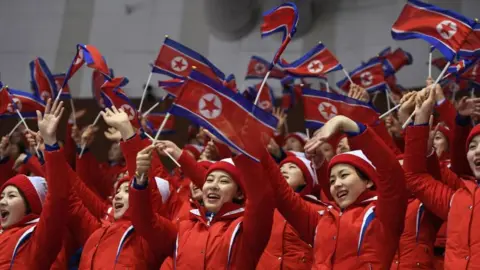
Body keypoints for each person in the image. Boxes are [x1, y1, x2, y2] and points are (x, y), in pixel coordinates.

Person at [264, 115, 407, 268]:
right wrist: (255, 149)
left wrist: (347, 124)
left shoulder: (382, 214)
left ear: (369, 180)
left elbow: (392, 174)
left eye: (344, 175)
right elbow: (282, 194)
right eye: (332, 180)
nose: (337, 184)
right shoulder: (322, 219)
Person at [129, 138, 275, 269]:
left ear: (239, 193)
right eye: (209, 180)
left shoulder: (245, 230)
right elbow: (145, 222)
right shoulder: (184, 228)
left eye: (224, 181)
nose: (213, 186)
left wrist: (238, 149)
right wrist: (140, 178)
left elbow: (261, 198)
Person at [404, 85, 480, 268]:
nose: (477, 151)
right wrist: (420, 121)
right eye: (472, 146)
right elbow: (415, 176)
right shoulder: (459, 198)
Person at [0, 99, 70, 269]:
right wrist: (3, 160)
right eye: (1, 196)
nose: (2, 201)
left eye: (11, 196)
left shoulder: (37, 237)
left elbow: (58, 196)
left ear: (30, 204)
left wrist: (51, 147)